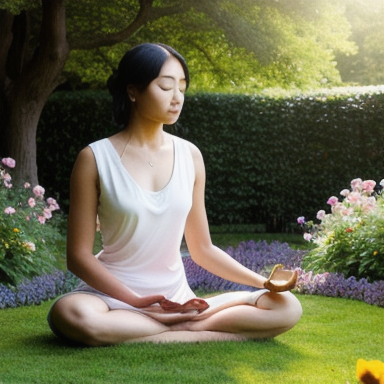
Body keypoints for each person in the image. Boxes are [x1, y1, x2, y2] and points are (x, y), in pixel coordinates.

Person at [48, 43, 302, 346]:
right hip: (114, 299)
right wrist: (140, 303)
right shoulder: (93, 158)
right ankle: (187, 332)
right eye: (166, 86)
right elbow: (78, 257)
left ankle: (172, 330)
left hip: (178, 301)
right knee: (70, 313)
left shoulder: (190, 155)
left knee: (286, 307)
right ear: (133, 90)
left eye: (182, 87)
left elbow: (203, 249)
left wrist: (264, 283)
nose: (177, 97)